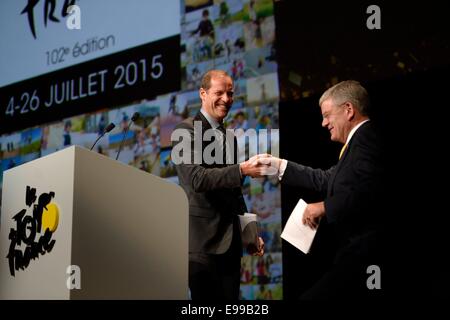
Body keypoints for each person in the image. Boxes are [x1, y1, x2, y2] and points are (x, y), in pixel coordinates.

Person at [261, 80, 385, 299]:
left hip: (369, 256)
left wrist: (325, 206)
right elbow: (327, 179)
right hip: (356, 256)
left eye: (327, 115)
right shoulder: (355, 145)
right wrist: (279, 166)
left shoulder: (366, 137)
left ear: (348, 110)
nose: (323, 123)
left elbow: (374, 189)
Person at [172, 70, 267, 301]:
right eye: (219, 92)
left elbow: (235, 193)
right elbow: (196, 179)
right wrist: (242, 169)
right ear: (203, 94)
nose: (226, 98)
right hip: (201, 245)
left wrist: (249, 231)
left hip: (231, 246)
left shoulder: (230, 138)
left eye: (230, 93)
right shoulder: (183, 131)